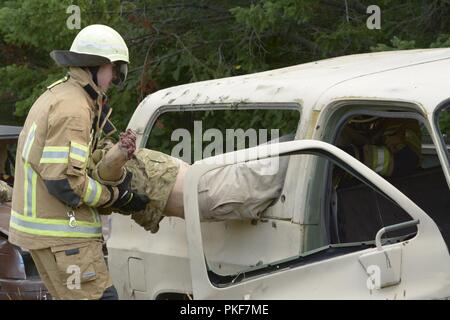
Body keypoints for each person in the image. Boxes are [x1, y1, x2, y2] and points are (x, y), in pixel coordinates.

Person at [8, 24, 149, 300]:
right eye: (114, 70)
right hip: (65, 237)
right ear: (98, 66)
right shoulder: (74, 109)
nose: (114, 80)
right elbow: (64, 183)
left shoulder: (62, 95)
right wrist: (116, 197)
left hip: (50, 235)